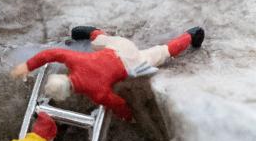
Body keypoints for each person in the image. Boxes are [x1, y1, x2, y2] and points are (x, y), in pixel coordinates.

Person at [11, 25, 205, 120]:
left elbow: (119, 104)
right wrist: (28, 65)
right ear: (63, 76)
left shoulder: (98, 93)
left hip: (131, 62)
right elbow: (52, 54)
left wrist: (127, 117)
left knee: (163, 52)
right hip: (118, 46)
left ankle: (191, 35)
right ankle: (92, 32)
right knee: (99, 41)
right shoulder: (77, 60)